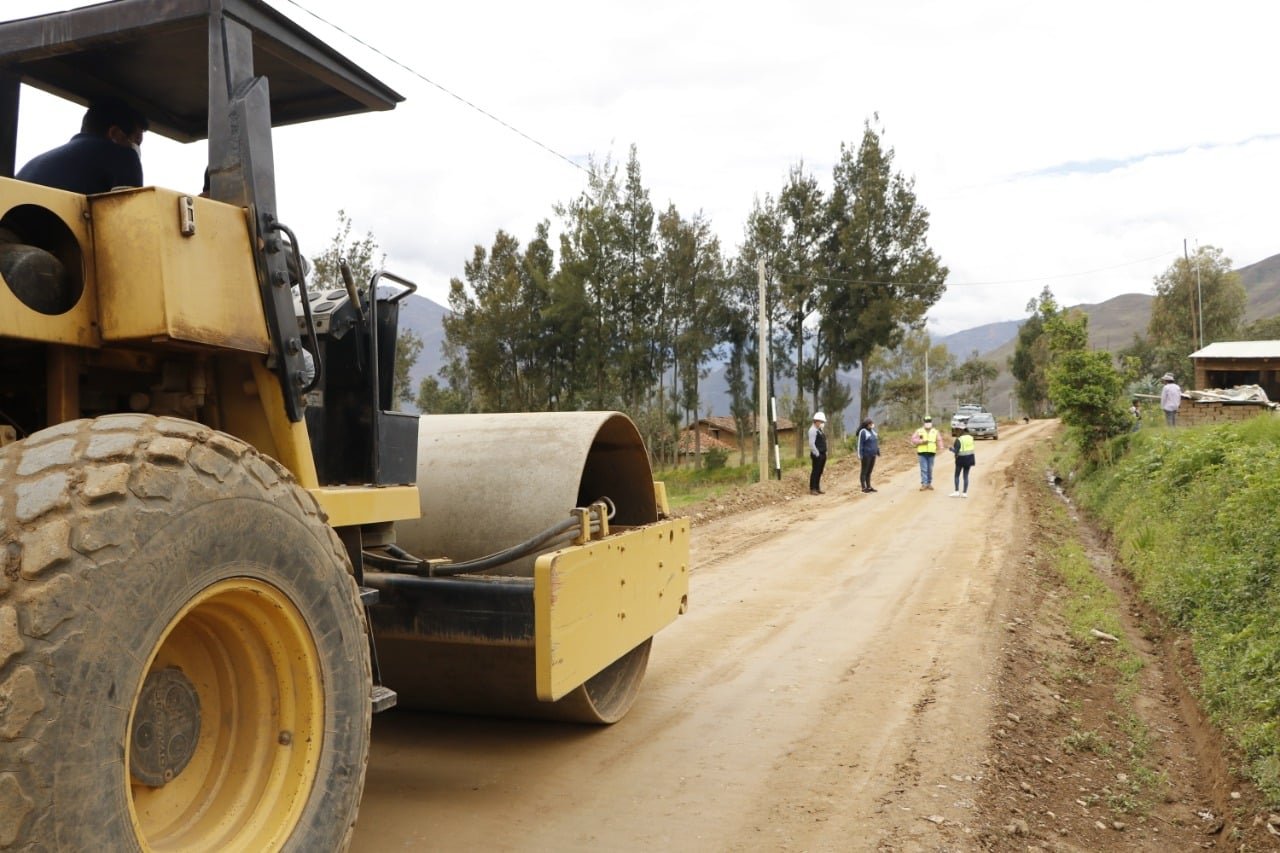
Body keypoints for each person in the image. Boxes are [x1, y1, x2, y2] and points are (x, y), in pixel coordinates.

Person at [16, 97, 148, 195]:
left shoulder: (33, 165)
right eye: (136, 141)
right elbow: (132, 218)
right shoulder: (123, 156)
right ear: (114, 133)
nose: (136, 148)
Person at [909, 415, 942, 491]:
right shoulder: (919, 431)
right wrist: (921, 441)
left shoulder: (935, 431)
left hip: (931, 452)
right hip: (922, 452)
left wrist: (941, 447)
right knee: (924, 469)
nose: (928, 423)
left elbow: (939, 440)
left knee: (930, 469)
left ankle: (929, 483)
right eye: (926, 422)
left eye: (929, 421)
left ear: (931, 422)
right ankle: (924, 484)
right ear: (924, 422)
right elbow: (913, 439)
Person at [949, 427, 976, 497]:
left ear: (960, 431)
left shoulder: (959, 440)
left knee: (957, 475)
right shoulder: (971, 438)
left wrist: (951, 449)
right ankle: (964, 493)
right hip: (970, 458)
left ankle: (956, 491)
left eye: (957, 431)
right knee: (966, 476)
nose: (956, 433)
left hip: (960, 459)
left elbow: (956, 451)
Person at [856, 417, 879, 493]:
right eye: (871, 423)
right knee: (864, 471)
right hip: (866, 455)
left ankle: (869, 486)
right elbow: (860, 444)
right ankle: (863, 487)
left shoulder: (872, 431)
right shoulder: (863, 432)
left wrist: (877, 450)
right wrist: (860, 454)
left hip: (873, 454)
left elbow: (875, 442)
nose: (872, 424)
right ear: (867, 424)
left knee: (869, 471)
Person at [808, 412, 827, 495]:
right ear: (816, 421)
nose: (822, 423)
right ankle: (813, 488)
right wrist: (817, 454)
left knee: (819, 471)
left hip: (822, 454)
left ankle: (817, 487)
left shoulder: (819, 430)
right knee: (815, 471)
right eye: (821, 422)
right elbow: (812, 444)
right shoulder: (812, 430)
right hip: (817, 455)